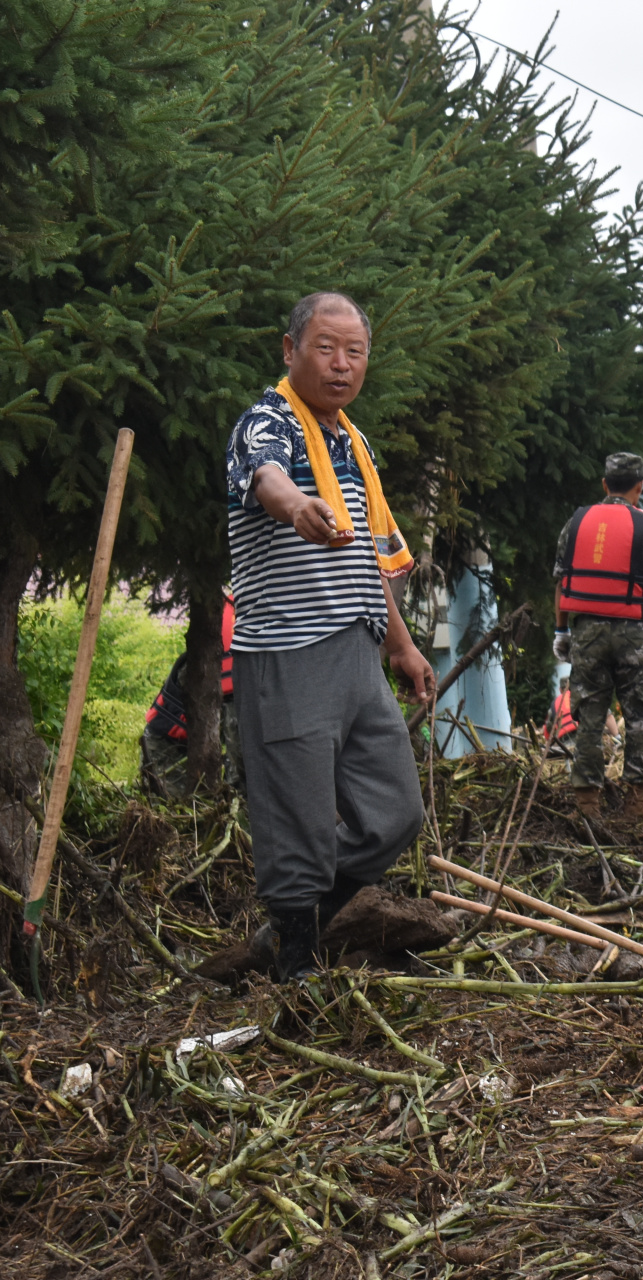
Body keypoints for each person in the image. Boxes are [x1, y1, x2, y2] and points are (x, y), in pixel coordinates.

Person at [224, 292, 435, 982]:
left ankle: (300, 923)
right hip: (287, 652)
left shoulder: (351, 441)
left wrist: (400, 645)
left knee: (394, 812)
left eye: (355, 352)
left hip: (357, 648)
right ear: (290, 351)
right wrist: (295, 506)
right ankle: (292, 967)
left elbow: (370, 558)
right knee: (300, 822)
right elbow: (266, 477)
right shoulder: (268, 422)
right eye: (325, 348)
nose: (341, 365)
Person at [551, 453, 643, 818]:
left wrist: (561, 629)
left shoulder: (576, 524)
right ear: (640, 486)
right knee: (638, 714)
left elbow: (562, 581)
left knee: (589, 713)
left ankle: (586, 802)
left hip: (587, 631)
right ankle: (638, 801)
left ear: (604, 485)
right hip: (632, 634)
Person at [141, 590, 243, 797]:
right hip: (165, 747)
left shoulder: (233, 609)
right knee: (174, 812)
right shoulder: (231, 664)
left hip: (179, 744)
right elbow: (239, 775)